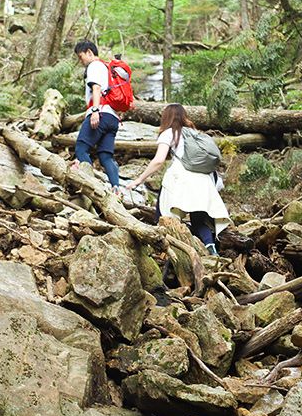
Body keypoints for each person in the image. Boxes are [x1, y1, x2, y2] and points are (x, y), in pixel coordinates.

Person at [124, 104, 231, 255]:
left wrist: (139, 180)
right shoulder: (194, 133)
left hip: (180, 177)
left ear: (166, 117)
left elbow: (158, 160)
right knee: (199, 216)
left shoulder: (169, 133)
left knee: (164, 213)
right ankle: (210, 247)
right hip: (203, 179)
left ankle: (166, 251)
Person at [72, 40, 121, 190]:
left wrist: (95, 111)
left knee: (81, 148)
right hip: (112, 117)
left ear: (89, 52)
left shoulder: (94, 65)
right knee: (106, 156)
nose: (81, 61)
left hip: (100, 113)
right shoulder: (107, 67)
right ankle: (116, 189)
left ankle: (91, 187)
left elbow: (96, 88)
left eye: (81, 57)